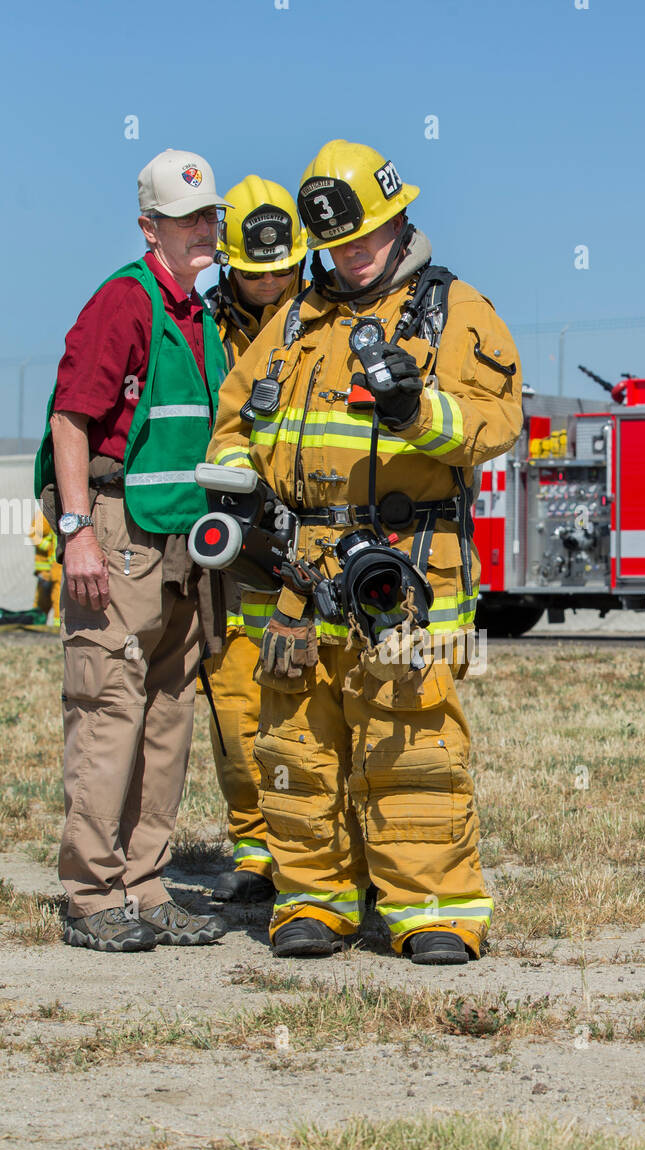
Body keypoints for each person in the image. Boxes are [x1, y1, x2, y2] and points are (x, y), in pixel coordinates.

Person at [207, 139, 522, 966]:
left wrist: (417, 411)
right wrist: (240, 485)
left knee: (409, 738)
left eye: (361, 241)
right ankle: (315, 898)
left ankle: (434, 910)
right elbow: (236, 422)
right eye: (334, 246)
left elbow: (497, 422)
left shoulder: (454, 312)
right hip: (299, 568)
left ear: (397, 220)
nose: (348, 258)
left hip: (407, 563)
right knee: (295, 739)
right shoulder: (294, 320)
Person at [34, 149, 230, 952]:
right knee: (110, 711)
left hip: (183, 548)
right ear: (149, 226)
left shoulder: (202, 315)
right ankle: (89, 893)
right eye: (187, 220)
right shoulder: (124, 302)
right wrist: (76, 532)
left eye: (209, 216)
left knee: (167, 718)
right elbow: (70, 420)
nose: (204, 231)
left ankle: (144, 886)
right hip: (116, 535)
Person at [202, 177, 307, 903]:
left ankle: (320, 842)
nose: (270, 283)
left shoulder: (330, 317)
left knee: (308, 699)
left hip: (311, 538)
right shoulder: (202, 328)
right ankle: (255, 848)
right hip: (235, 548)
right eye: (253, 270)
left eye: (282, 269)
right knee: (237, 698)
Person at [30, 508, 62, 626]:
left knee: (58, 596)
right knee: (43, 601)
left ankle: (57, 627)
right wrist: (49, 547)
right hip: (47, 568)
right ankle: (36, 624)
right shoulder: (45, 513)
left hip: (56, 566)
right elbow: (34, 536)